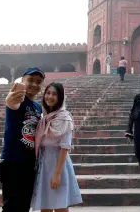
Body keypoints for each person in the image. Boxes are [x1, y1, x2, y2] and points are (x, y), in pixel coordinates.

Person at [0, 67, 45, 212]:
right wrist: (11, 99)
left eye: (38, 82)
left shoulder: (37, 107)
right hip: (13, 162)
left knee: (23, 206)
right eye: (30, 80)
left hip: (29, 163)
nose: (34, 84)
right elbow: (12, 103)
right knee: (12, 207)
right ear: (22, 81)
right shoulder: (18, 99)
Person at [31, 82, 82, 211]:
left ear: (60, 98)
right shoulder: (44, 118)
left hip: (58, 165)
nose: (50, 96)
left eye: (54, 94)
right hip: (43, 165)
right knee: (45, 206)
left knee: (60, 207)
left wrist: (57, 174)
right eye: (48, 93)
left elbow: (65, 147)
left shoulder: (64, 118)